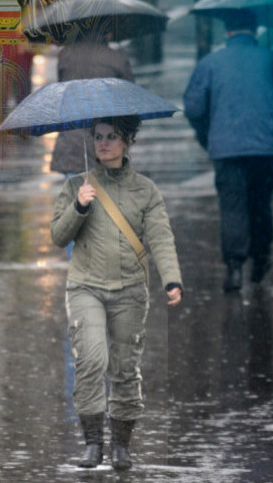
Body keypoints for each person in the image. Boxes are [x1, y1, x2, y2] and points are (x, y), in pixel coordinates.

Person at [51, 115, 183, 471]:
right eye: (98, 137)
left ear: (127, 142)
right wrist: (79, 205)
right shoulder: (77, 185)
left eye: (111, 137)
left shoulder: (145, 190)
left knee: (125, 367)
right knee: (92, 360)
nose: (103, 143)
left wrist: (171, 279)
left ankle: (121, 446)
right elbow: (58, 237)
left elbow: (160, 236)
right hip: (85, 286)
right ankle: (93, 443)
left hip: (130, 290)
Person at [182, 11, 273, 291]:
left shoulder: (210, 63)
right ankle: (261, 258)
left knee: (232, 206)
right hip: (264, 147)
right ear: (255, 29)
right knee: (260, 204)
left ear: (227, 32)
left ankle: (234, 267)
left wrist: (206, 136)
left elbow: (194, 108)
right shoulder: (271, 60)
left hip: (226, 148)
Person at [50, 27, 134, 175]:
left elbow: (62, 90)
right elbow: (130, 97)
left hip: (73, 141)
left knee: (77, 192)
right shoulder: (117, 58)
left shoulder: (66, 56)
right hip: (108, 139)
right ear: (106, 31)